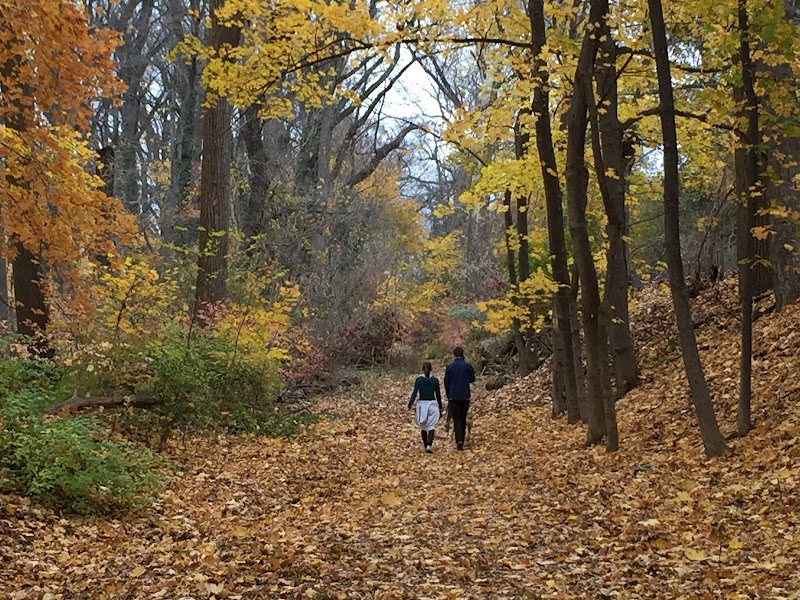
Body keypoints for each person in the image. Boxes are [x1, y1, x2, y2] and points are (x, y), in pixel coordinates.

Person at [444, 346, 475, 450]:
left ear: (454, 355)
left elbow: (446, 382)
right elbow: (472, 379)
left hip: (453, 396)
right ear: (463, 354)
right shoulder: (467, 366)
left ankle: (459, 440)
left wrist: (448, 393)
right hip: (465, 396)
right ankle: (462, 438)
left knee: (456, 418)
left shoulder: (450, 367)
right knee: (463, 417)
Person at [408, 361, 442, 454]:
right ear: (431, 369)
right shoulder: (435, 380)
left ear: (422, 369)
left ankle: (425, 444)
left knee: (423, 426)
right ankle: (429, 445)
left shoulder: (419, 380)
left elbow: (414, 393)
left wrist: (410, 404)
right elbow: (438, 395)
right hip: (432, 404)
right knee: (431, 426)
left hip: (422, 404)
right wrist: (440, 406)